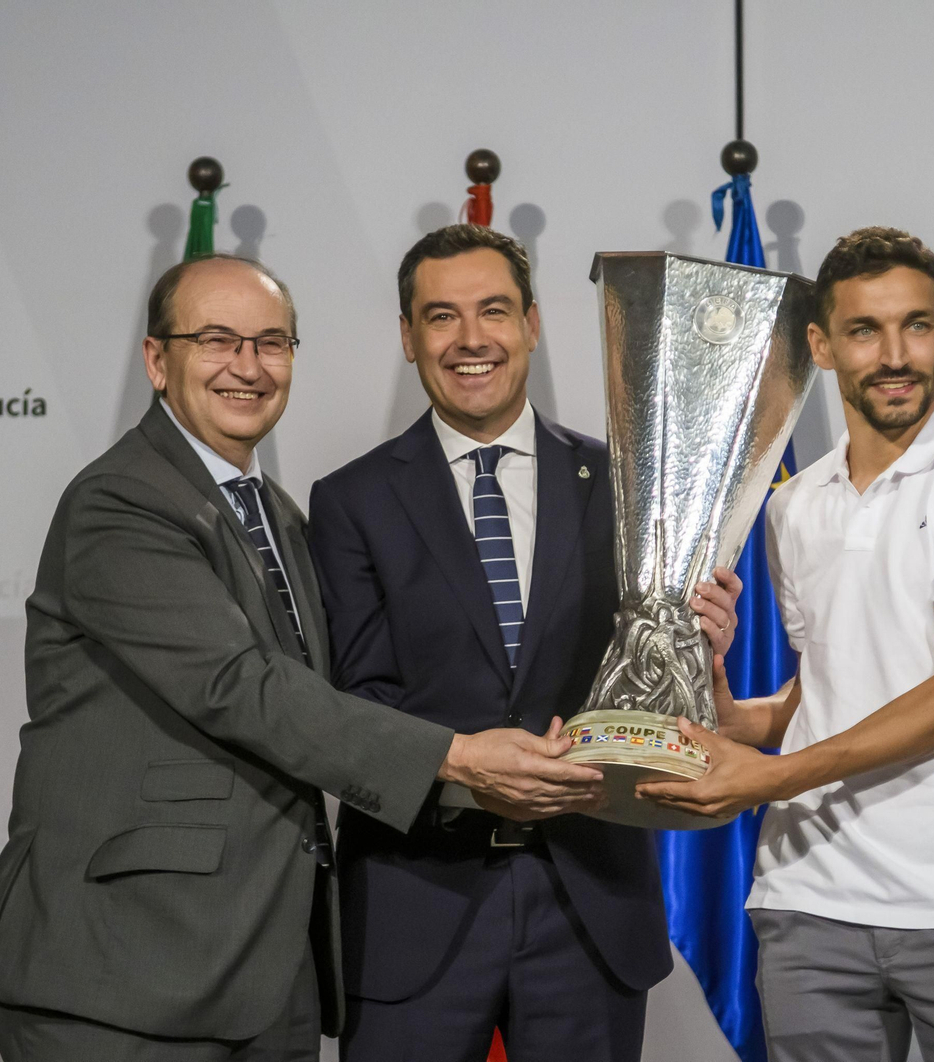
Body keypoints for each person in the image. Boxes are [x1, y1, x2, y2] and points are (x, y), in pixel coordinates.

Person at [0, 253, 604, 1062]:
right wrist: (461, 755)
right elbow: (240, 687)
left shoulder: (279, 517)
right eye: (217, 339)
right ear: (158, 360)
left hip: (260, 972)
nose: (248, 366)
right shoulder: (119, 501)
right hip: (124, 974)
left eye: (272, 342)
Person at [307, 225, 743, 1062]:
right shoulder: (351, 501)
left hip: (587, 906)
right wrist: (467, 768)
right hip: (415, 907)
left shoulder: (630, 487)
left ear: (534, 324)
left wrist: (699, 647)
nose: (472, 339)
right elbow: (353, 702)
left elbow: (650, 684)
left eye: (494, 311)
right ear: (408, 336)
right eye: (441, 317)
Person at [640, 227, 934, 1062]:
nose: (895, 354)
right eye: (865, 331)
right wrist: (730, 717)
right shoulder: (796, 507)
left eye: (915, 326)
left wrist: (772, 777)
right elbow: (826, 692)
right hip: (809, 903)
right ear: (822, 347)